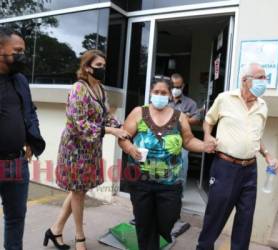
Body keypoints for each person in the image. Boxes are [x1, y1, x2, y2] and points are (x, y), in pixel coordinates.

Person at [44, 50, 129, 250]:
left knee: (78, 191)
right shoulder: (78, 89)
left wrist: (120, 127)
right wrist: (111, 131)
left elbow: (106, 116)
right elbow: (77, 124)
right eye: (99, 65)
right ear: (87, 67)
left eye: (104, 66)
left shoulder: (100, 89)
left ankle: (55, 230)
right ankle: (79, 237)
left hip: (90, 149)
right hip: (75, 149)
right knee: (79, 192)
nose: (103, 69)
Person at [118, 77, 216, 250]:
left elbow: (188, 141)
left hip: (170, 182)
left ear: (170, 95)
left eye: (163, 93)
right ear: (150, 93)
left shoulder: (180, 116)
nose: (160, 95)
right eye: (156, 92)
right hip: (140, 180)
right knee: (144, 224)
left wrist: (205, 146)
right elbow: (123, 137)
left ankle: (156, 235)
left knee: (167, 219)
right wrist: (130, 148)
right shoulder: (138, 112)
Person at [196, 63, 278, 250]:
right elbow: (208, 122)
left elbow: (256, 137)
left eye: (265, 77)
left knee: (245, 218)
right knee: (216, 215)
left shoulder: (263, 106)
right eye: (260, 77)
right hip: (225, 167)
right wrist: (208, 136)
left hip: (250, 169)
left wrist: (267, 156)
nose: (264, 82)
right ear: (245, 80)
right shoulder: (225, 98)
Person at [0, 27, 45, 250]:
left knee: (16, 219)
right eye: (17, 51)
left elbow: (30, 110)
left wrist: (31, 136)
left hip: (17, 164)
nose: (23, 56)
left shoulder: (20, 80)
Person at [169, 73, 202, 189]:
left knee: (181, 168)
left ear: (182, 86)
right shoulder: (164, 101)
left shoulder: (190, 103)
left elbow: (197, 119)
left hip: (183, 141)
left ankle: (179, 194)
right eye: (173, 86)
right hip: (164, 139)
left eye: (178, 87)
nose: (175, 89)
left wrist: (184, 119)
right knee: (165, 167)